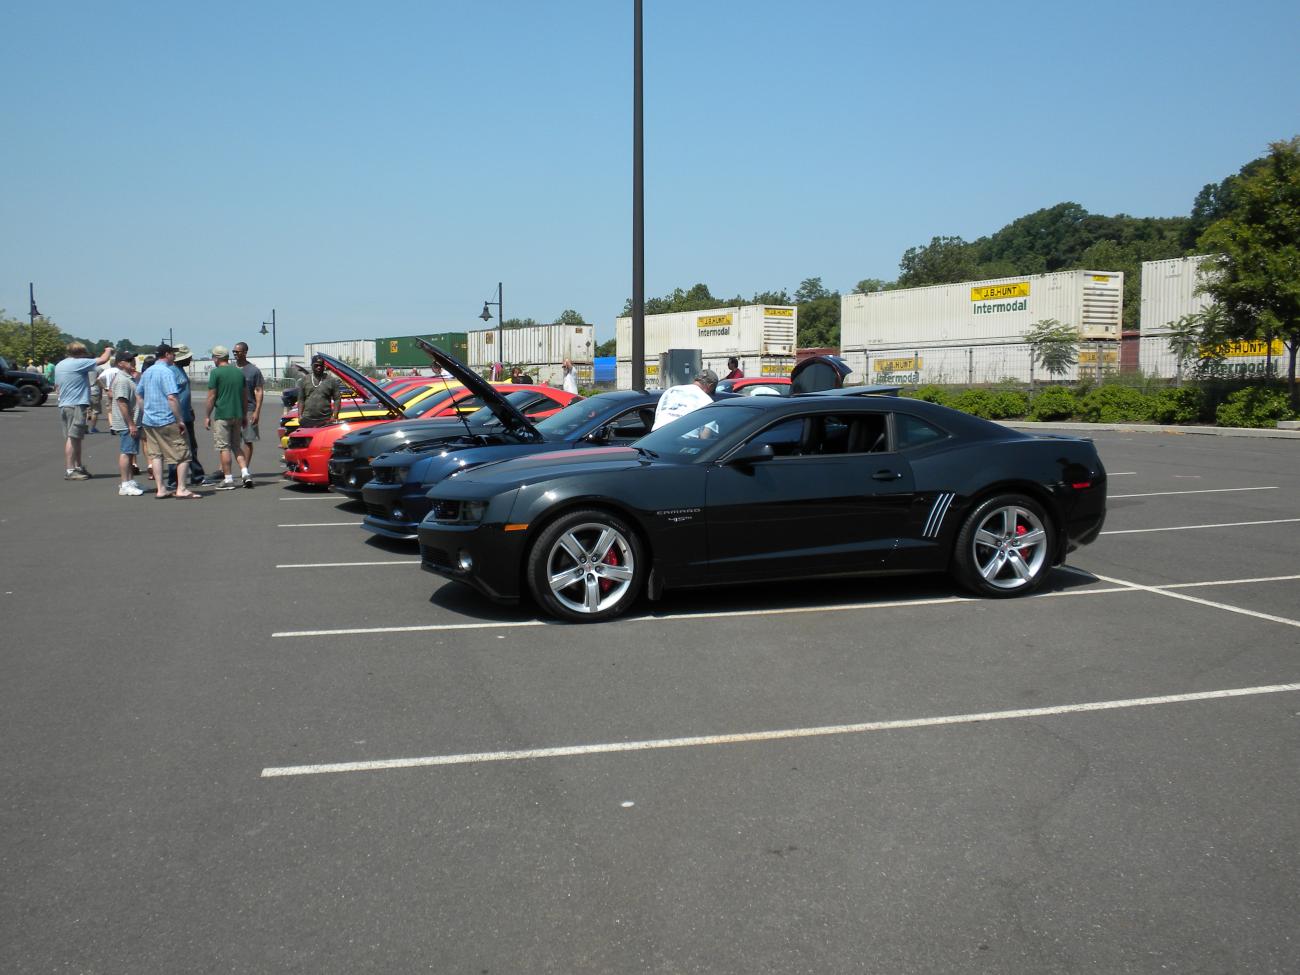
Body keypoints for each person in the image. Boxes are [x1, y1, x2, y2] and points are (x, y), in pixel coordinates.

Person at [138, 343, 200, 499]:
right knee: (183, 454)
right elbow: (172, 397)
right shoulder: (166, 372)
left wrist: (145, 411)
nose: (174, 356)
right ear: (166, 354)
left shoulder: (148, 371)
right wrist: (180, 420)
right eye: (172, 354)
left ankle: (161, 488)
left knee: (156, 455)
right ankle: (182, 488)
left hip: (149, 420)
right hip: (167, 418)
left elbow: (138, 394)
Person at [53, 341, 114, 479]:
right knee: (73, 437)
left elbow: (56, 385)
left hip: (64, 404)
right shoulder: (78, 363)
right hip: (76, 404)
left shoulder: (60, 364)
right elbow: (103, 359)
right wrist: (108, 349)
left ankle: (78, 466)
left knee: (76, 437)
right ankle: (70, 470)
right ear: (80, 353)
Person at [204, 345, 248, 490]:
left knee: (224, 447)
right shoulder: (239, 373)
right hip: (237, 414)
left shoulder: (216, 373)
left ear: (217, 358)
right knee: (237, 446)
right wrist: (244, 415)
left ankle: (228, 479)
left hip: (223, 414)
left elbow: (211, 396)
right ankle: (245, 473)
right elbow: (244, 396)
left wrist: (206, 415)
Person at [165, 344, 205, 488]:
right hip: (177, 417)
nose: (190, 359)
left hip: (186, 415)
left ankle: (197, 476)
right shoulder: (171, 372)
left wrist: (190, 408)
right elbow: (171, 396)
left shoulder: (180, 370)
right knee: (177, 448)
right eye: (188, 357)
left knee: (191, 447)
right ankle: (173, 480)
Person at [108, 351, 144, 496]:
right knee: (127, 452)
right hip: (127, 423)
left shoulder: (128, 377)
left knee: (130, 452)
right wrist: (131, 424)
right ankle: (125, 483)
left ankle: (130, 481)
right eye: (129, 360)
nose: (132, 362)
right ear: (120, 363)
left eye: (133, 359)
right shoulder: (122, 379)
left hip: (132, 421)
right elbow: (122, 402)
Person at [232, 342, 261, 485]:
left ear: (245, 352)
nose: (235, 354)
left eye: (238, 351)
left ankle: (245, 470)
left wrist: (257, 411)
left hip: (249, 409)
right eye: (234, 352)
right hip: (232, 410)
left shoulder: (253, 371)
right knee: (230, 441)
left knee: (247, 440)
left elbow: (258, 391)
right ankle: (223, 469)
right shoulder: (230, 369)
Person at [652, 367, 718, 430]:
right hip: (682, 439)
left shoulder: (671, 390)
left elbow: (658, 416)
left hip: (655, 436)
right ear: (710, 386)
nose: (709, 394)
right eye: (711, 392)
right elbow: (705, 436)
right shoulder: (706, 400)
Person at [296, 354, 343, 427]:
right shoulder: (304, 380)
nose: (319, 367)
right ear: (311, 365)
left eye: (321, 366)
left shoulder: (331, 380)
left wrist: (335, 416)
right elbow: (301, 399)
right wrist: (299, 416)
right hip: (307, 419)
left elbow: (337, 399)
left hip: (325, 419)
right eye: (316, 365)